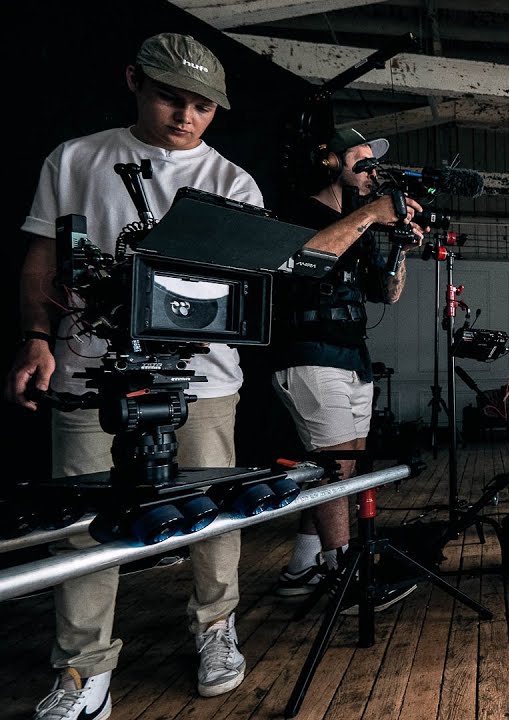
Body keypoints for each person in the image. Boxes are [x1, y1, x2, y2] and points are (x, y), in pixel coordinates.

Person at [6, 33, 258, 717]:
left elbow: (242, 285)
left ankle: (216, 625)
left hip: (202, 376)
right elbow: (41, 259)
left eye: (202, 107)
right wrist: (36, 338)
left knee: (215, 508)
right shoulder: (75, 159)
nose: (186, 118)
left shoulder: (232, 181)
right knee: (83, 517)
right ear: (133, 82)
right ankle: (83, 667)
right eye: (172, 99)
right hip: (90, 368)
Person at [269, 127, 423, 610]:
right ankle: (345, 575)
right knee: (335, 470)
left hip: (351, 356)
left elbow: (388, 294)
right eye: (362, 159)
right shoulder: (297, 211)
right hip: (308, 353)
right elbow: (304, 261)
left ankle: (301, 568)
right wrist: (372, 213)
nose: (372, 170)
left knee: (340, 470)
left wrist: (400, 247)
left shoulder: (360, 225)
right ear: (332, 162)